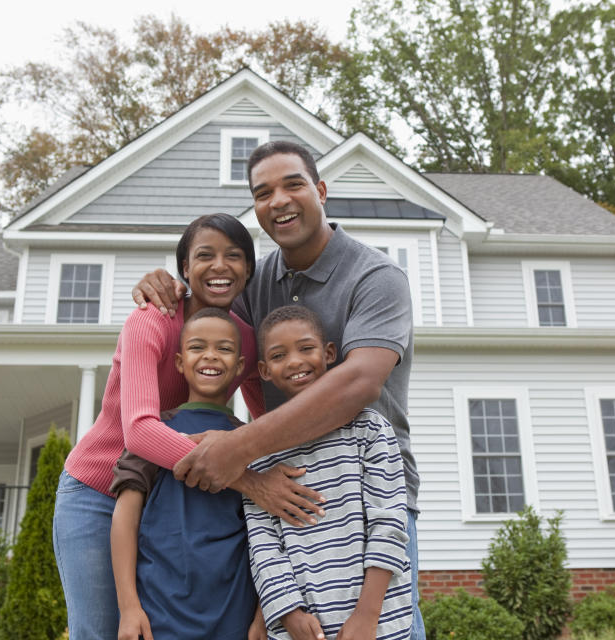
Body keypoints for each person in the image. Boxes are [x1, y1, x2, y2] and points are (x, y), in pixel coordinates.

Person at [133, 141, 426, 639]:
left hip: (365, 496)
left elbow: (359, 383)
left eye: (293, 184)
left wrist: (238, 448)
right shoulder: (257, 283)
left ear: (322, 191)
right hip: (281, 490)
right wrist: (169, 284)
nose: (279, 200)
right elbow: (211, 329)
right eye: (263, 193)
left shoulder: (376, 277)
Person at [54, 213, 325, 640]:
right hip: (98, 491)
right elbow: (140, 433)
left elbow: (268, 424)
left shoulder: (245, 339)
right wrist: (248, 479)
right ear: (184, 268)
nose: (220, 266)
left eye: (233, 256)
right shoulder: (151, 320)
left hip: (172, 497)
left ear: (248, 270)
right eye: (205, 256)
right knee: (105, 631)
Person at [246, 305, 411, 640]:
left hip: (379, 621)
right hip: (301, 627)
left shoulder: (369, 429)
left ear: (329, 353)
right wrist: (289, 613)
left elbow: (389, 523)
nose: (295, 361)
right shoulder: (259, 451)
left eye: (306, 348)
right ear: (264, 370)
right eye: (279, 355)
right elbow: (263, 545)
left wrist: (367, 615)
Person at [110, 308, 259, 640]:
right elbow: (125, 517)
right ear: (179, 362)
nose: (210, 355)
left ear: (238, 366)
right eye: (197, 347)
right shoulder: (155, 431)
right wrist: (129, 607)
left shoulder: (252, 443)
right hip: (159, 614)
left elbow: (268, 537)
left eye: (224, 348)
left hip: (235, 616)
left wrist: (263, 615)